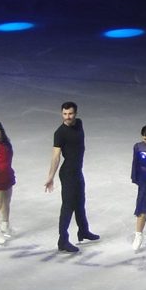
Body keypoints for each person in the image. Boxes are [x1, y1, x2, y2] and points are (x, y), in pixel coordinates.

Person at [43, 101, 98, 253]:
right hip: (68, 173)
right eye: (65, 114)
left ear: (76, 114)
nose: (67, 117)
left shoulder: (79, 124)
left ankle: (83, 231)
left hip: (77, 171)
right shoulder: (59, 133)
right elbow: (55, 156)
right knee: (68, 206)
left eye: (70, 114)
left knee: (80, 202)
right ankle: (63, 240)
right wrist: (50, 176)